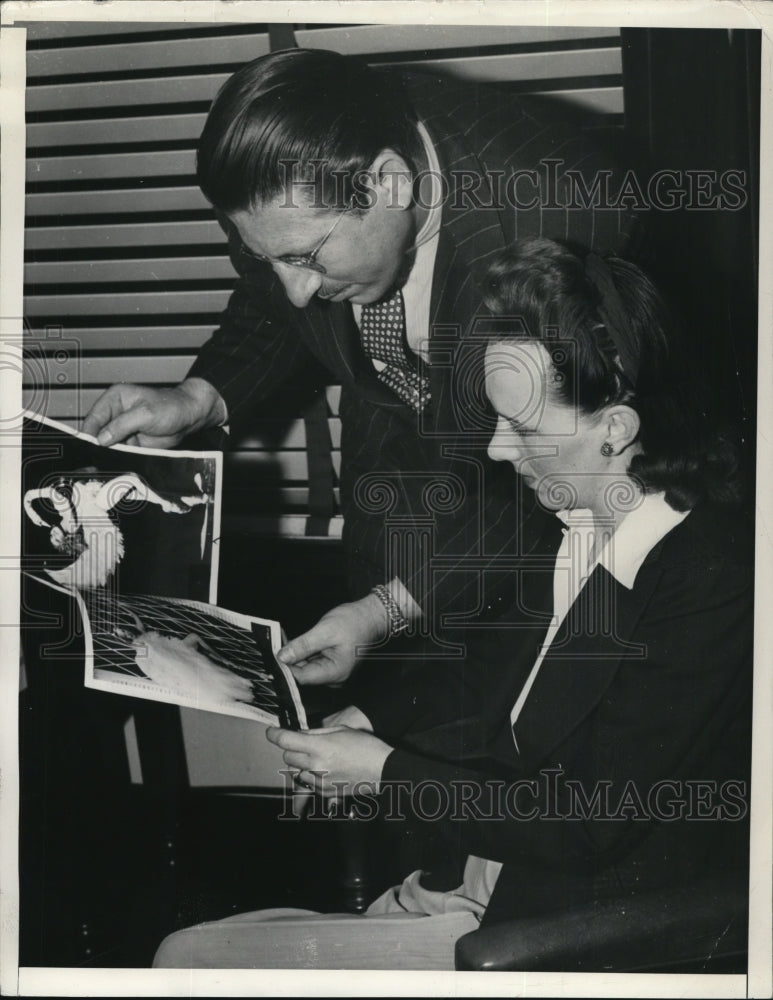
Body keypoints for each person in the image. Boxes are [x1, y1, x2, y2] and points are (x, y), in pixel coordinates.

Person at [152, 238, 753, 970]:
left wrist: (380, 773)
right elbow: (496, 679)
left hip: (553, 932)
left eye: (522, 428)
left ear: (615, 430)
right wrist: (372, 720)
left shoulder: (710, 578)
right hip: (478, 879)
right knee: (191, 951)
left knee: (187, 960)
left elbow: (589, 826)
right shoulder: (573, 521)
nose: (499, 451)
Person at [81, 47, 640, 695]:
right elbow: (274, 304)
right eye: (270, 258)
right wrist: (198, 396)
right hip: (389, 473)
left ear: (390, 182)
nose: (293, 290)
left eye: (308, 258)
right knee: (390, 704)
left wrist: (386, 610)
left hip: (549, 522)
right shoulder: (286, 174)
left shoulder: (566, 219)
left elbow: (556, 474)